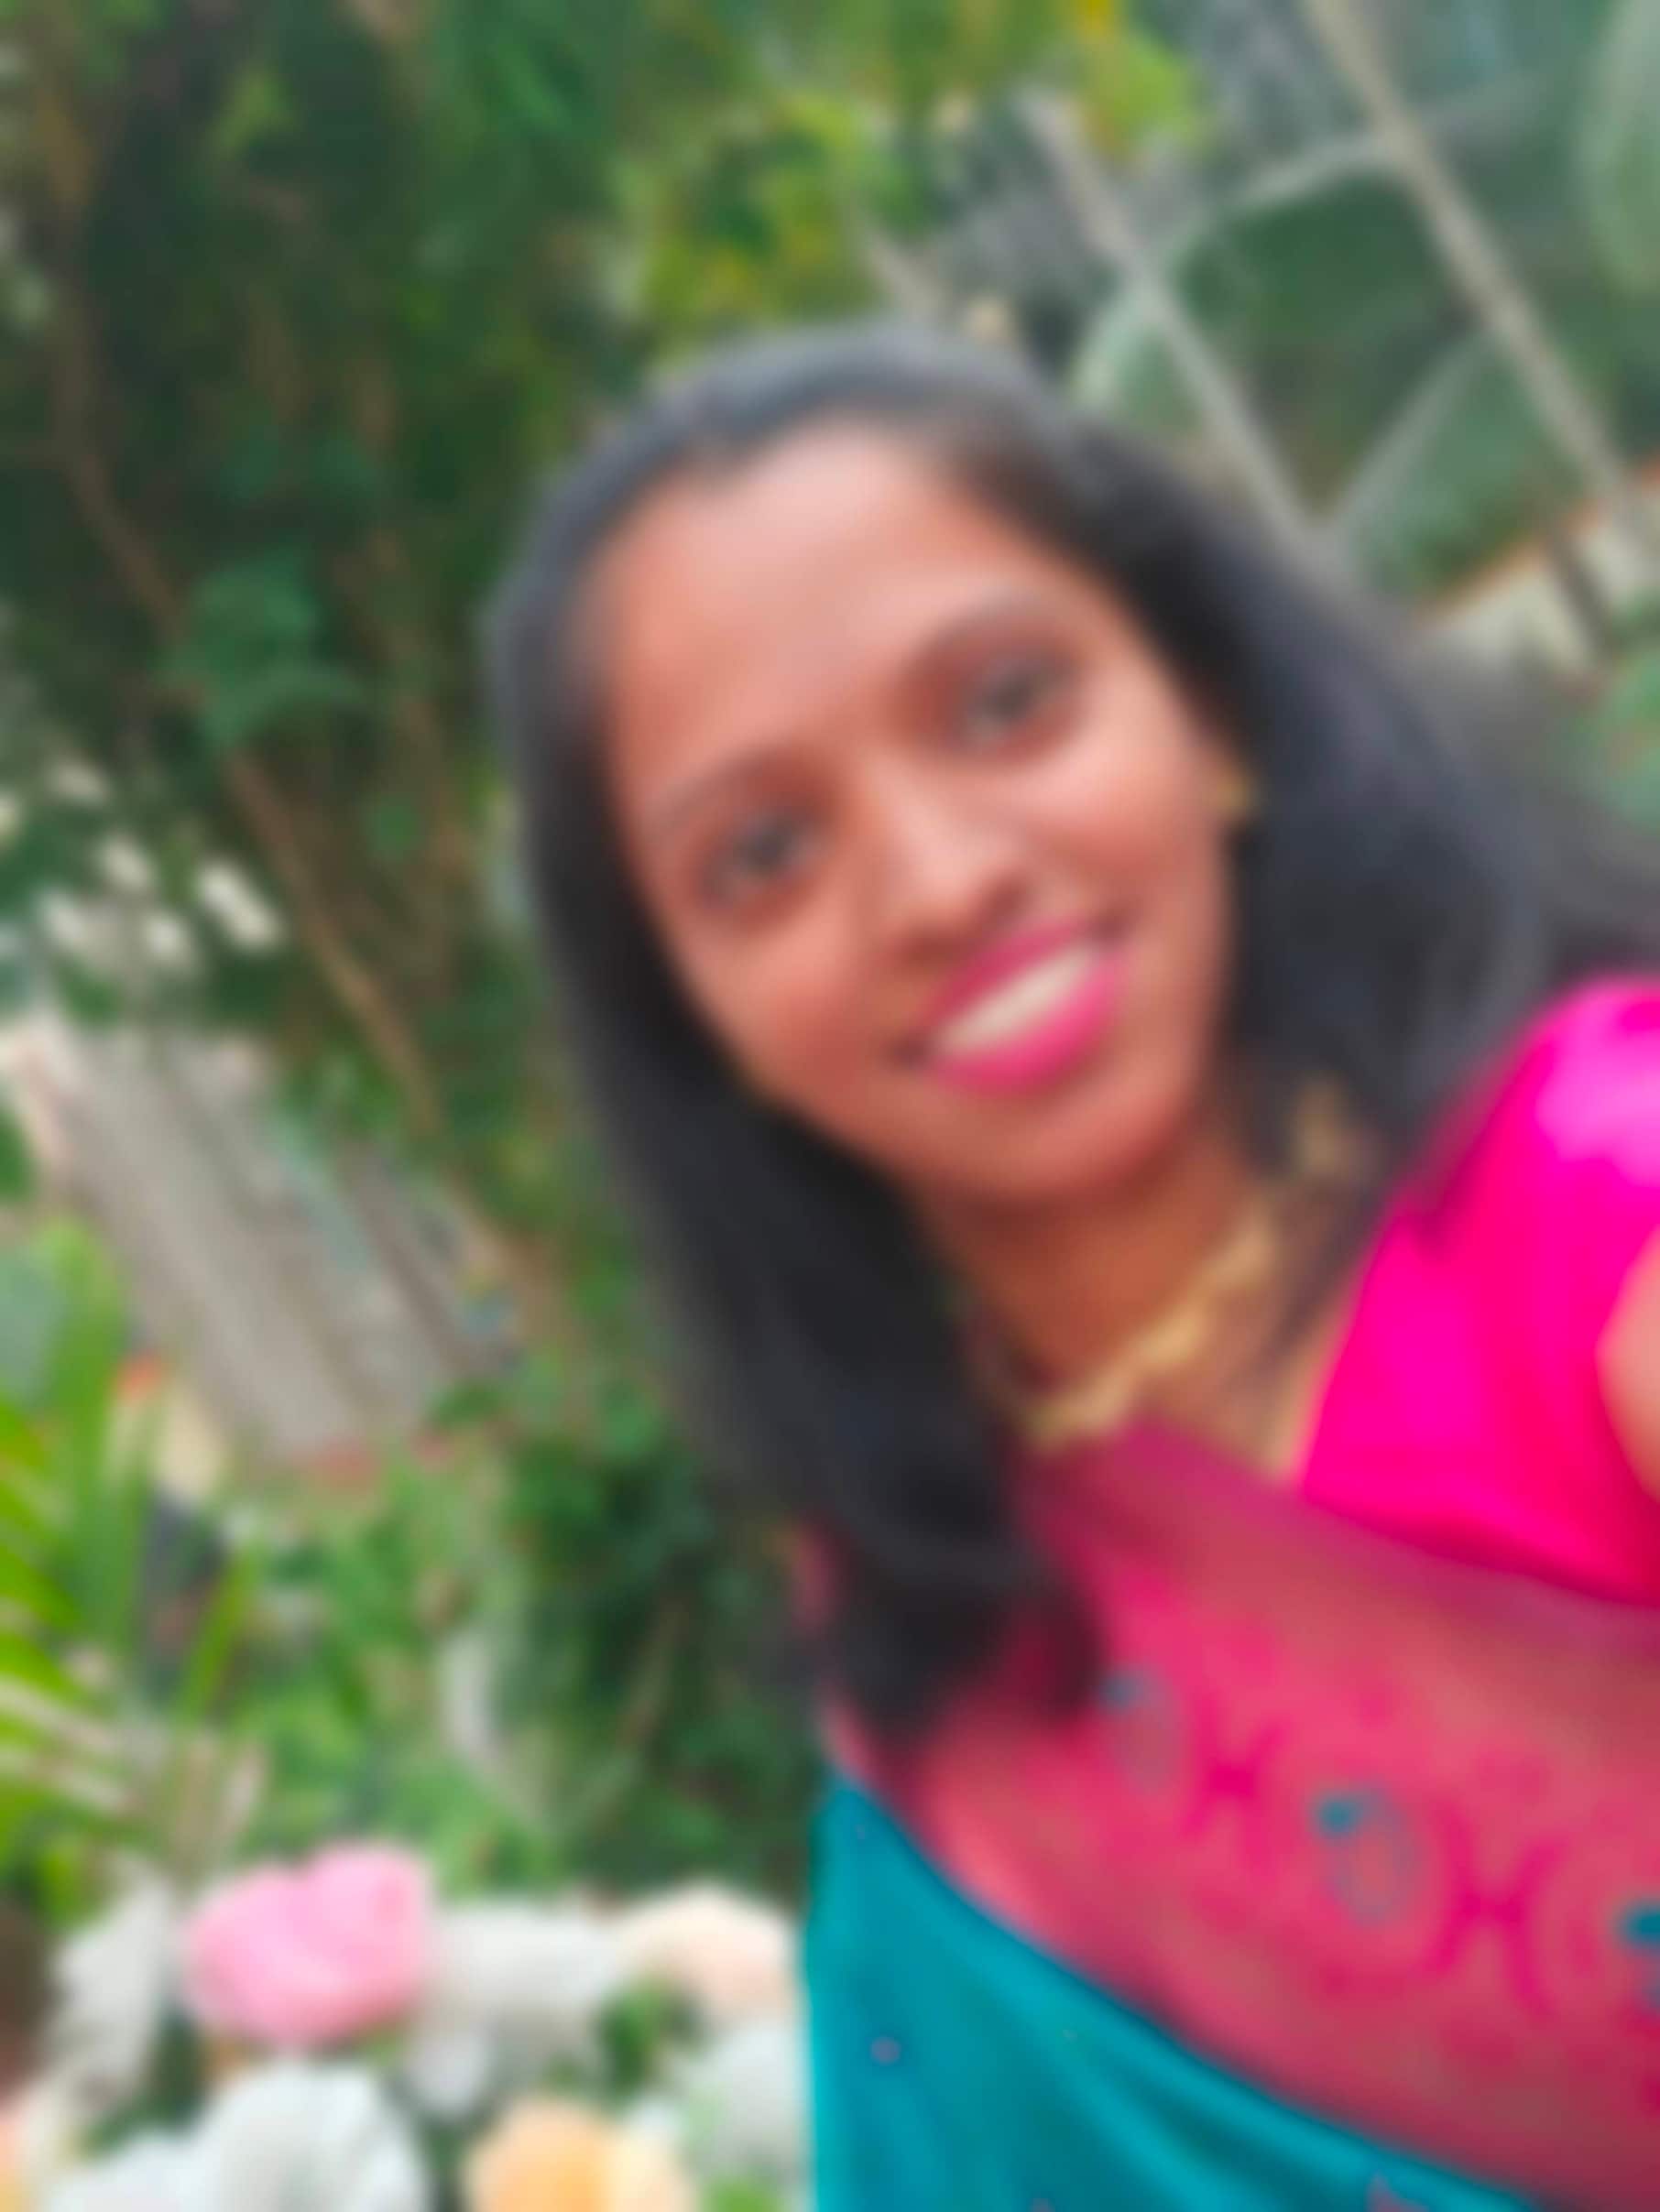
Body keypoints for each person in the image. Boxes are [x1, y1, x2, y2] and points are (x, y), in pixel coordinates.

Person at [489, 324, 1660, 2207]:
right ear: (690, 1013)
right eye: (766, 853)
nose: (942, 881)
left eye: (1008, 704)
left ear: (1212, 711)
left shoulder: (1605, 1198)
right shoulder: (936, 1604)